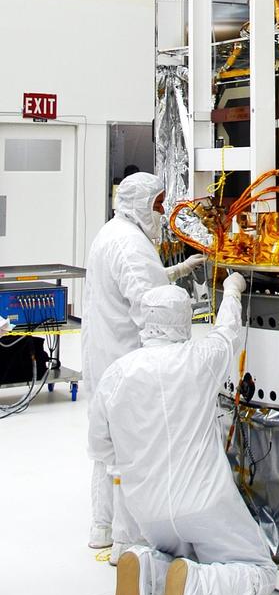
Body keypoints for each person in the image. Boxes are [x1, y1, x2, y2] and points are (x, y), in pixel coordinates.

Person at [88, 276, 277, 595]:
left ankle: (147, 570)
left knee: (176, 552)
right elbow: (227, 332)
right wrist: (234, 290)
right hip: (204, 504)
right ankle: (199, 589)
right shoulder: (197, 360)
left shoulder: (115, 376)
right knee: (258, 569)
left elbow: (100, 448)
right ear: (184, 320)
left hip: (147, 510)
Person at [82, 172, 204, 550]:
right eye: (158, 204)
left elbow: (137, 284)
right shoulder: (132, 245)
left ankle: (103, 529)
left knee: (108, 448)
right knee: (131, 450)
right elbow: (153, 309)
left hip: (104, 353)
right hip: (126, 356)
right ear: (140, 203)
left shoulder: (114, 232)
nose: (163, 212)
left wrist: (180, 271)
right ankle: (127, 542)